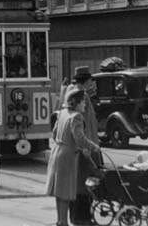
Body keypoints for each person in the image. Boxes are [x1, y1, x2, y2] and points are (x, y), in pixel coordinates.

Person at [46, 88, 101, 226]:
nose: (85, 104)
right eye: (83, 102)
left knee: (59, 191)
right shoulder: (76, 117)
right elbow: (80, 139)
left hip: (57, 151)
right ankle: (64, 223)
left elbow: (54, 133)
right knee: (65, 192)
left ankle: (60, 220)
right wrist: (94, 147)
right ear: (76, 103)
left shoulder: (62, 113)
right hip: (67, 156)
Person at [64, 66, 101, 225]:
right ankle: (83, 219)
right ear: (86, 81)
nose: (92, 83)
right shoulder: (81, 96)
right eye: (90, 80)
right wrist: (92, 146)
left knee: (77, 184)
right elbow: (84, 127)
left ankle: (76, 217)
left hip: (79, 148)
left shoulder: (70, 91)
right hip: (86, 148)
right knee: (86, 184)